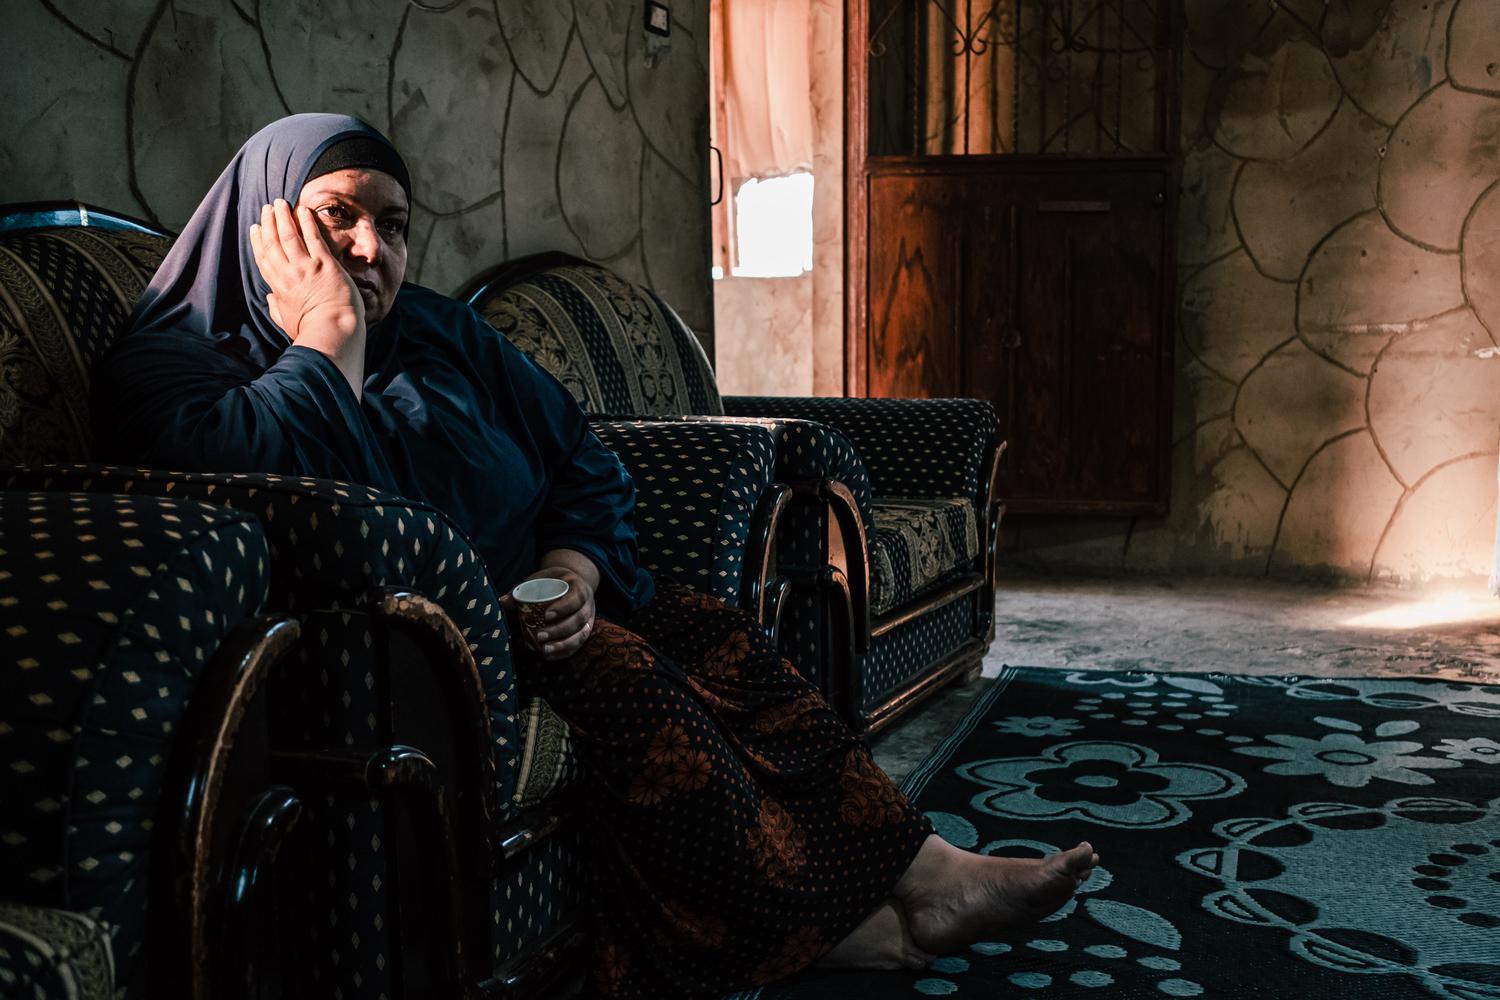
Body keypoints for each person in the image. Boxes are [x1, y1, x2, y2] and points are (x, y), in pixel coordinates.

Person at [93, 113, 1097, 998]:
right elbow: (273, 491)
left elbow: (581, 451)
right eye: (336, 216)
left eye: (393, 225)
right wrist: (327, 338)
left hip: (542, 609)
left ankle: (924, 870)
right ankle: (832, 922)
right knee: (634, 683)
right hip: (403, 665)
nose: (370, 248)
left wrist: (576, 565)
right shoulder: (175, 362)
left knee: (721, 638)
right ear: (263, 221)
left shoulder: (440, 331)